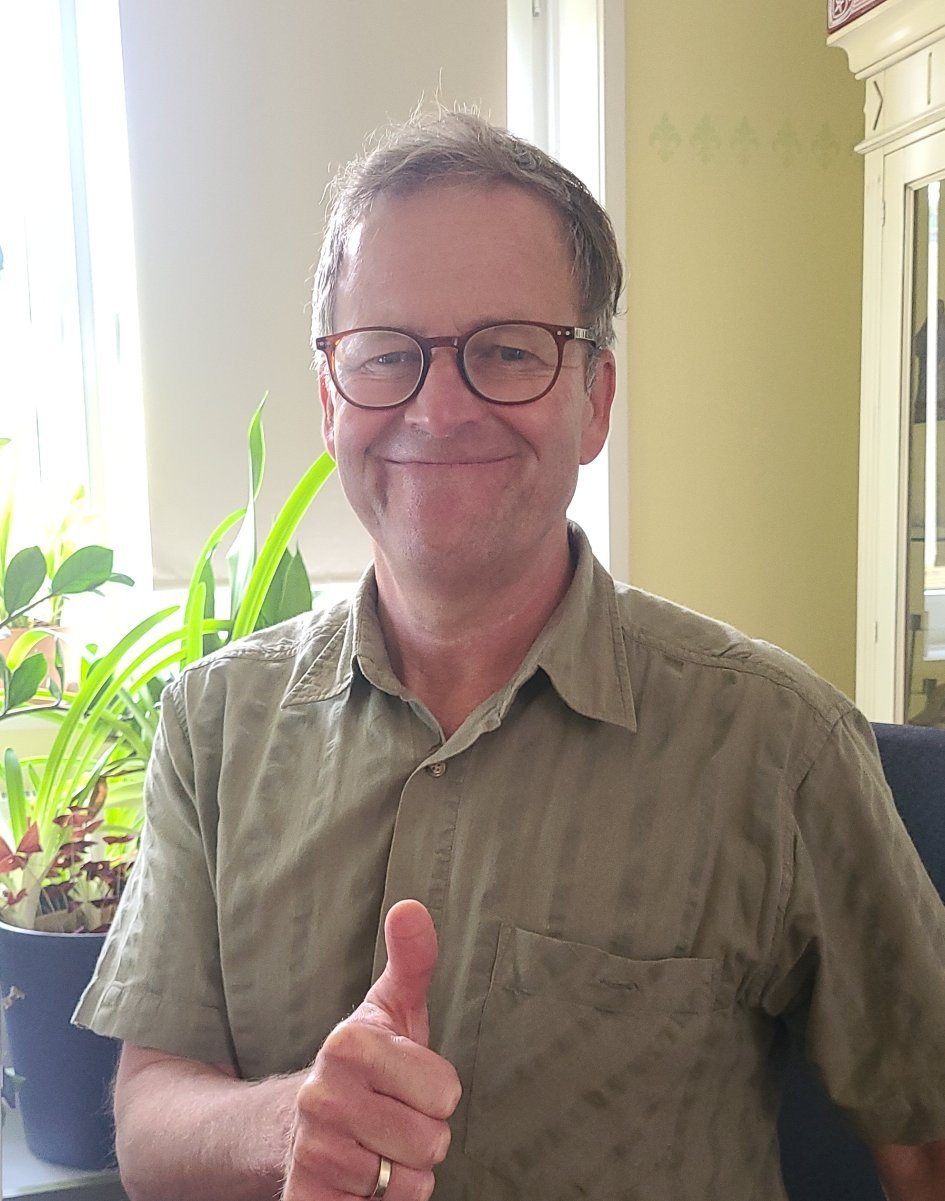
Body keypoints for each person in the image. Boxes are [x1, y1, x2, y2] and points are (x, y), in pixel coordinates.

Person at [75, 111, 945, 1201]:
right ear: (331, 398)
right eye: (386, 355)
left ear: (595, 400)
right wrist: (289, 1125)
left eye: (508, 352)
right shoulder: (211, 726)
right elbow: (150, 1118)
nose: (440, 409)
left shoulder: (779, 748)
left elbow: (926, 1138)